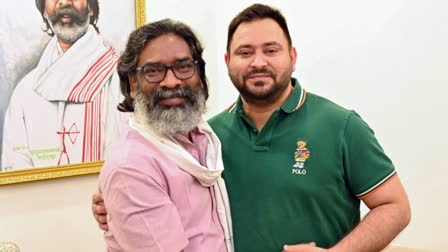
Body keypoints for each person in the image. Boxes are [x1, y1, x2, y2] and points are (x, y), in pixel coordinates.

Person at [93, 4, 411, 252]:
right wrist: (110, 196)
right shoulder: (212, 136)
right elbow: (149, 177)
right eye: (245, 52)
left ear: (293, 57)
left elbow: (395, 206)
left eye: (271, 50)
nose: (258, 61)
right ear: (228, 60)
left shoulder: (342, 126)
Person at [97, 19, 232, 252]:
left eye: (183, 66)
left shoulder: (206, 139)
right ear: (132, 82)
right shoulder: (131, 167)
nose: (171, 81)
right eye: (153, 71)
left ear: (199, 73)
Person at [1, 0, 126, 170]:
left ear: (91, 8)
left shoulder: (120, 80)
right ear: (44, 12)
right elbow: (15, 162)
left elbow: (130, 156)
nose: (64, 2)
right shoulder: (25, 91)